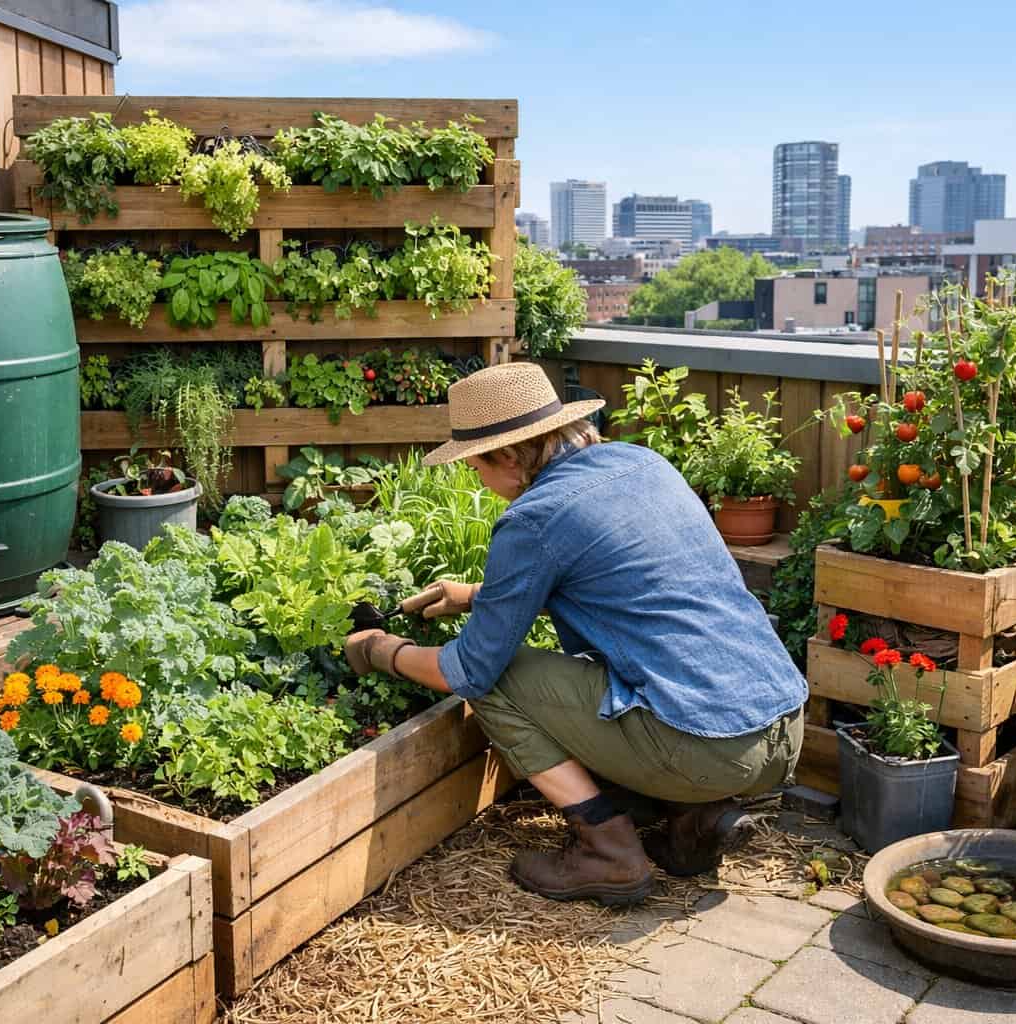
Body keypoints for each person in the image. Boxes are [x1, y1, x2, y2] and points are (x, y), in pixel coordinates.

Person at [344, 362, 807, 906]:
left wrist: (382, 651)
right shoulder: (643, 464)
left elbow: (467, 670)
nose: (479, 481)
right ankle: (692, 820)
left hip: (708, 747)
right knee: (628, 675)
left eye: (477, 467)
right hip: (783, 726)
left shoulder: (536, 516)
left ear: (510, 459)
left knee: (498, 680)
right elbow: (632, 590)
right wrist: (475, 595)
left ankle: (607, 852)